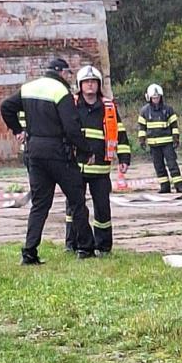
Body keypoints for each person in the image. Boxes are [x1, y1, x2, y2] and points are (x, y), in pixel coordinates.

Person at [0, 55, 93, 264]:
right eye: (67, 73)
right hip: (58, 153)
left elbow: (6, 107)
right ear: (61, 72)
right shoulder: (61, 92)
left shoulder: (29, 87)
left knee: (40, 204)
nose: (68, 77)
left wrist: (18, 130)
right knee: (77, 200)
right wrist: (85, 151)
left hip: (34, 152)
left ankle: (29, 252)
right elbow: (71, 127)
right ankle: (86, 248)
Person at [65, 65, 116, 255]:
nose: (90, 86)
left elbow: (119, 132)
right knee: (74, 208)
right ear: (80, 85)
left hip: (101, 169)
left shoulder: (108, 107)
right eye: (86, 82)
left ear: (99, 85)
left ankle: (103, 246)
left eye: (93, 82)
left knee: (102, 209)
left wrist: (125, 157)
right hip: (76, 167)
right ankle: (73, 243)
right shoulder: (71, 105)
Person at [137, 83, 182, 196]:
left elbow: (174, 125)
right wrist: (142, 139)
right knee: (159, 166)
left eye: (157, 97)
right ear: (149, 98)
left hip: (167, 143)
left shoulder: (168, 110)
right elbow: (142, 127)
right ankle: (165, 187)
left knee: (172, 165)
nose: (156, 99)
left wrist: (176, 138)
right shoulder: (144, 111)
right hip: (153, 145)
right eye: (154, 98)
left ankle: (180, 186)